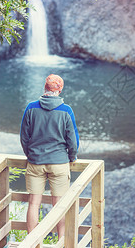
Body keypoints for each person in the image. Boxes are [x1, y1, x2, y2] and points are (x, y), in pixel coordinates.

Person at [20, 74, 79, 238]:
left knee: (33, 203)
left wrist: (30, 154)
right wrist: (72, 157)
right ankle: (60, 242)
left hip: (35, 163)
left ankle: (32, 242)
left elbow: (24, 137)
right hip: (59, 163)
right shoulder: (66, 110)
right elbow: (72, 140)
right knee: (59, 205)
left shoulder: (31, 108)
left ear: (44, 88)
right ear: (60, 90)